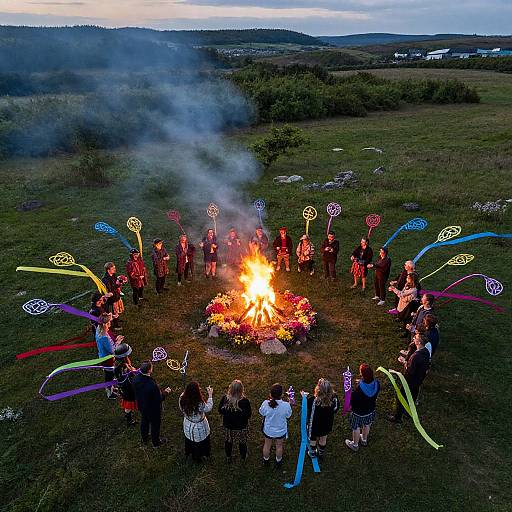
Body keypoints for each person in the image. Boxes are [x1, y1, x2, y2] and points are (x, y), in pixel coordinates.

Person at [388, 334, 430, 423]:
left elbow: (410, 371)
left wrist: (405, 363)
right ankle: (408, 413)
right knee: (413, 396)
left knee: (402, 397)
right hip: (419, 380)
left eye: (416, 338)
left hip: (409, 382)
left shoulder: (416, 356)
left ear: (419, 342)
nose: (414, 338)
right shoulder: (426, 352)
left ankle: (397, 417)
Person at [133, 361, 171, 447]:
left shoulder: (135, 378)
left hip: (142, 406)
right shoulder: (152, 385)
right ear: (149, 370)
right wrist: (165, 392)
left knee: (144, 421)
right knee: (155, 425)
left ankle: (144, 438)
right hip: (153, 409)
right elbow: (158, 399)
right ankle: (156, 443)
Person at [345, 364, 380, 452]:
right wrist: (360, 382)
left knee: (356, 427)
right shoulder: (377, 383)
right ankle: (364, 439)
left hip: (358, 412)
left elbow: (352, 401)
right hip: (370, 410)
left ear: (362, 375)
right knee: (367, 424)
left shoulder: (358, 390)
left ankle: (355, 445)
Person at [179, 381, 214, 462]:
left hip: (187, 423)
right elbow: (208, 408)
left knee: (189, 440)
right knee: (199, 443)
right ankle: (198, 457)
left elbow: (181, 408)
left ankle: (190, 452)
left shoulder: (181, 397)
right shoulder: (199, 403)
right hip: (199, 427)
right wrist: (210, 395)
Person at [259, 383, 292, 468]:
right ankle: (278, 461)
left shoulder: (265, 403)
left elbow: (261, 412)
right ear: (281, 394)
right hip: (281, 431)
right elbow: (288, 416)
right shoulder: (286, 405)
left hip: (268, 430)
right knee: (279, 446)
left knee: (267, 445)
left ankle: (266, 460)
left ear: (270, 394)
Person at [218, 380, 252, 463]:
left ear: (231, 389)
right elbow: (248, 415)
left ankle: (228, 457)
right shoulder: (245, 401)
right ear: (241, 390)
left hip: (228, 427)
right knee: (242, 443)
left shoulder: (225, 399)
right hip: (241, 427)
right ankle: (243, 457)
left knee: (228, 442)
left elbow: (220, 410)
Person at [306, 378, 339, 458]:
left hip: (314, 425)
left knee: (313, 438)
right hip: (327, 424)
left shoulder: (312, 400)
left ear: (318, 390)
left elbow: (306, 407)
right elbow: (336, 409)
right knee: (323, 438)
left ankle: (312, 453)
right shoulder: (334, 399)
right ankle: (321, 452)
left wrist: (304, 397)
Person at [95, 313, 122, 399]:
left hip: (103, 356)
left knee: (109, 374)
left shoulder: (99, 329)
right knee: (109, 375)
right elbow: (112, 350)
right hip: (107, 359)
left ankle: (112, 387)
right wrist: (118, 341)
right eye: (109, 322)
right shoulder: (104, 337)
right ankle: (109, 393)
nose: (110, 323)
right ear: (105, 324)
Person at [114, 343, 138, 426]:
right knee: (128, 404)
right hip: (128, 390)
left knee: (128, 404)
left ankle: (129, 416)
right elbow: (129, 378)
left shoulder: (117, 364)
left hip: (125, 389)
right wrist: (133, 371)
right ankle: (129, 419)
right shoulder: (123, 368)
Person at [101, 262, 125, 329]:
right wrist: (119, 284)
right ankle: (116, 325)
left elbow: (115, 284)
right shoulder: (105, 279)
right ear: (108, 270)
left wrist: (120, 281)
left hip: (116, 295)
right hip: (112, 299)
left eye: (114, 268)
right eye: (113, 268)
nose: (115, 269)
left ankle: (117, 320)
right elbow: (111, 289)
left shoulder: (113, 275)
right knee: (114, 312)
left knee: (117, 310)